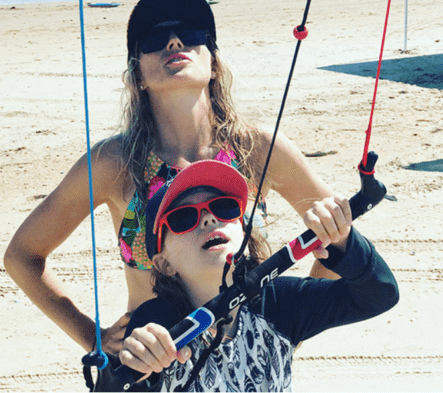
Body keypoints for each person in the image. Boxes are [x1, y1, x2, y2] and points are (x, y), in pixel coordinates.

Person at [5, 0, 344, 356]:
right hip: (153, 366)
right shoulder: (113, 163)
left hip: (248, 360)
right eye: (153, 38)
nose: (174, 40)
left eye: (193, 32)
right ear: (137, 77)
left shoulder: (258, 149)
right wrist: (94, 339)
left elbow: (339, 234)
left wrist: (293, 327)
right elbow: (23, 256)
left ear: (213, 63)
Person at [117, 159, 397, 391]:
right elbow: (126, 381)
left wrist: (344, 242)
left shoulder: (279, 302)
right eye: (183, 218)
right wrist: (140, 359)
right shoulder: (156, 321)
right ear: (164, 264)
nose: (208, 218)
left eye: (224, 207)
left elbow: (380, 293)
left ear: (243, 230)